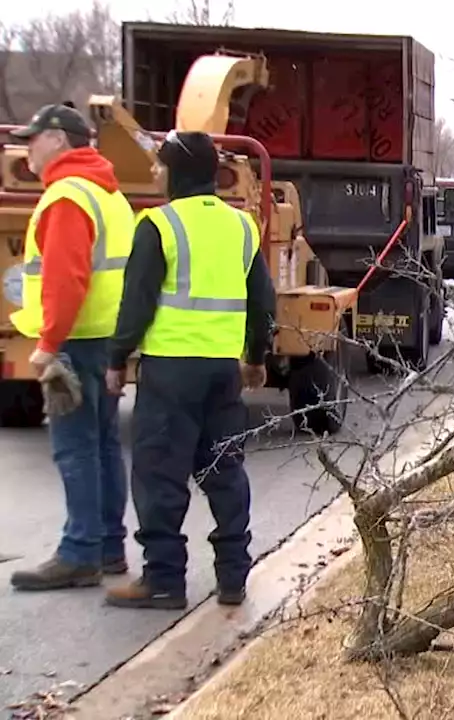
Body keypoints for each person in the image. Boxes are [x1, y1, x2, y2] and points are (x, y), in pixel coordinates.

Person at [103, 130, 276, 610]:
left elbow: (135, 303)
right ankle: (233, 578)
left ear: (174, 172)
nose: (156, 174)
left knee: (160, 474)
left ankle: (162, 579)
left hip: (170, 371)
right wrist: (257, 357)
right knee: (224, 468)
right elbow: (263, 299)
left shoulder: (157, 225)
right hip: (223, 371)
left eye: (160, 167)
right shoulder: (242, 226)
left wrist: (117, 358)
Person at [7, 103, 133, 592]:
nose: (27, 149)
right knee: (101, 445)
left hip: (76, 341)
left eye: (33, 139)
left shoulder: (67, 196)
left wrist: (47, 344)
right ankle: (108, 547)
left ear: (58, 139)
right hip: (104, 338)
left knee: (75, 447)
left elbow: (65, 278)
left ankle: (80, 552)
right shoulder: (108, 193)